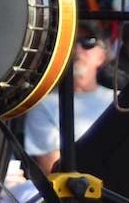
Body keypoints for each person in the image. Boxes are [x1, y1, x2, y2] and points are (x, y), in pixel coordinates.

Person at [19, 31, 111, 179]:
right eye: (70, 40)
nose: (77, 49)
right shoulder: (43, 105)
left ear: (102, 55)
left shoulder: (120, 101)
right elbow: (54, 170)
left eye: (88, 42)